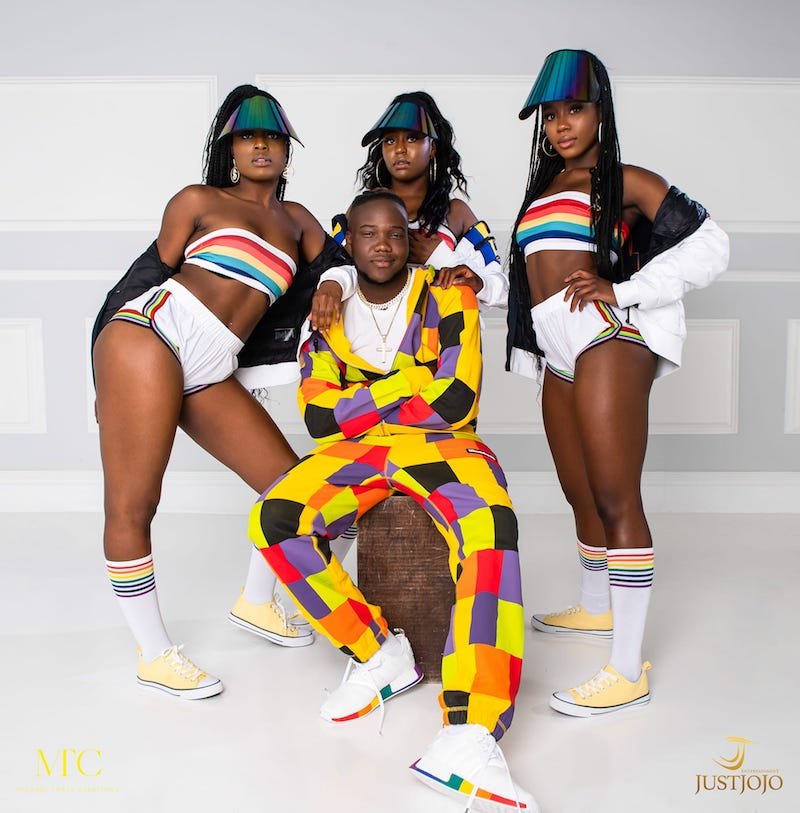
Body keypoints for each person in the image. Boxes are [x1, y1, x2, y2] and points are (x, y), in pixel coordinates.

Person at [249, 191, 536, 811]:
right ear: (348, 242)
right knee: (276, 518)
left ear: (410, 240)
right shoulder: (327, 310)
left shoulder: (449, 293)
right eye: (369, 234)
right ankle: (379, 652)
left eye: (396, 234)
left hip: (445, 446)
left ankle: (470, 730)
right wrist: (411, 381)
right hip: (359, 452)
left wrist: (364, 399)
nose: (383, 244)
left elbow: (456, 399)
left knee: (491, 526)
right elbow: (320, 419)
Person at [91, 85, 353, 699]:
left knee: (293, 490)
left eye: (272, 137)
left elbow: (341, 266)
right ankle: (154, 653)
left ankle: (256, 601)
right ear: (230, 148)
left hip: (212, 364)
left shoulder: (297, 220)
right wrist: (104, 371)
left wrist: (331, 285)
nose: (260, 146)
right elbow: (145, 276)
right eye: (247, 136)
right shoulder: (198, 200)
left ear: (288, 150)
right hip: (150, 336)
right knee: (134, 503)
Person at [506, 50, 729, 717]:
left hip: (607, 334)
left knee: (614, 492)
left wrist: (624, 290)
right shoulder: (545, 186)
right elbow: (529, 274)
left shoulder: (626, 179)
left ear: (601, 111)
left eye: (575, 109)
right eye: (551, 114)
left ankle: (627, 669)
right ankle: (596, 605)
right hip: (557, 346)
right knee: (578, 490)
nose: (561, 124)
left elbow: (711, 244)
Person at [314, 91, 508, 325]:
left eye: (413, 138)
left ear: (432, 146)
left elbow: (502, 291)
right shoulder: (364, 210)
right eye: (390, 140)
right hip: (373, 334)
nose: (400, 149)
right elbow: (332, 269)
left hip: (443, 337)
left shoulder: (456, 213)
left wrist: (439, 256)